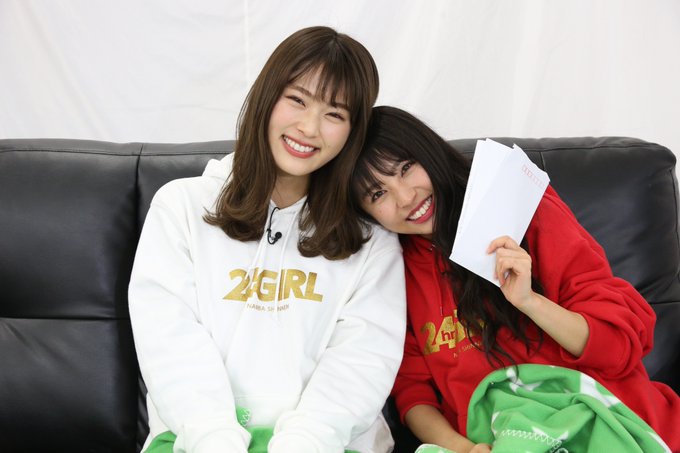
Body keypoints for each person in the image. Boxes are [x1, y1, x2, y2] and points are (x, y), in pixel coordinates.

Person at [128, 27, 406, 453]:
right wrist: (216, 442)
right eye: (297, 99)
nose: (309, 128)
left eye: (335, 114)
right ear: (266, 96)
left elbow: (359, 368)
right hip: (194, 443)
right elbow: (170, 346)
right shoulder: (181, 207)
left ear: (353, 131)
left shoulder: (370, 242)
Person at [350, 106, 680, 452]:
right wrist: (463, 449)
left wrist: (529, 302)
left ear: (429, 153)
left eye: (406, 168)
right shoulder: (388, 269)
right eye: (378, 194)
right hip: (498, 438)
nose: (405, 197)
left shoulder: (521, 208)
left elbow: (619, 347)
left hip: (599, 417)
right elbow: (413, 394)